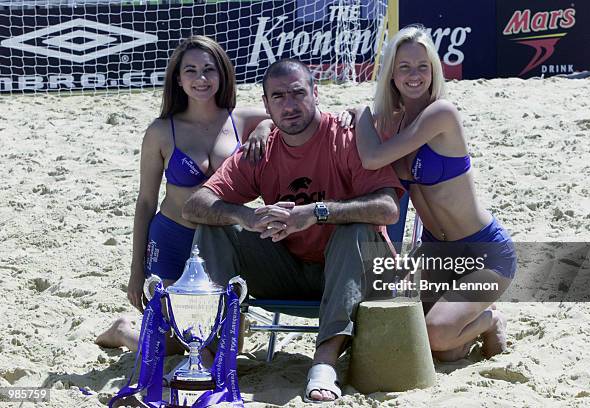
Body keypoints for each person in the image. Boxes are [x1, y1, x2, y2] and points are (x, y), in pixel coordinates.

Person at [182, 59, 404, 402]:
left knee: (354, 229)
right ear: (267, 105)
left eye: (298, 93)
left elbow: (389, 209)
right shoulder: (263, 147)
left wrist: (317, 213)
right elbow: (194, 204)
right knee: (216, 227)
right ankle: (209, 355)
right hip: (290, 268)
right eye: (279, 97)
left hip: (355, 273)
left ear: (315, 94)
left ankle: (325, 362)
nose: (289, 104)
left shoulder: (345, 136)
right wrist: (246, 216)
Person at [95, 35, 270, 354]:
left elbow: (284, 115)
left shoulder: (240, 119)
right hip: (172, 240)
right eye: (191, 70)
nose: (201, 78)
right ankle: (123, 332)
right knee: (183, 346)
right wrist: (136, 270)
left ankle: (129, 331)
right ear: (177, 78)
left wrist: (262, 129)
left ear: (223, 74)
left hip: (221, 243)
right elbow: (146, 202)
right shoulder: (161, 131)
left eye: (209, 70)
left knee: (222, 350)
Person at [353, 25, 517, 362]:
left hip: (484, 253)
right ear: (392, 76)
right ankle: (473, 319)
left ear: (434, 71)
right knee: (445, 351)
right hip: (436, 253)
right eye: (405, 67)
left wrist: (361, 117)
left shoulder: (442, 113)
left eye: (422, 67)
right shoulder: (392, 123)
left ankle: (490, 319)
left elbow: (371, 157)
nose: (415, 75)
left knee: (435, 334)